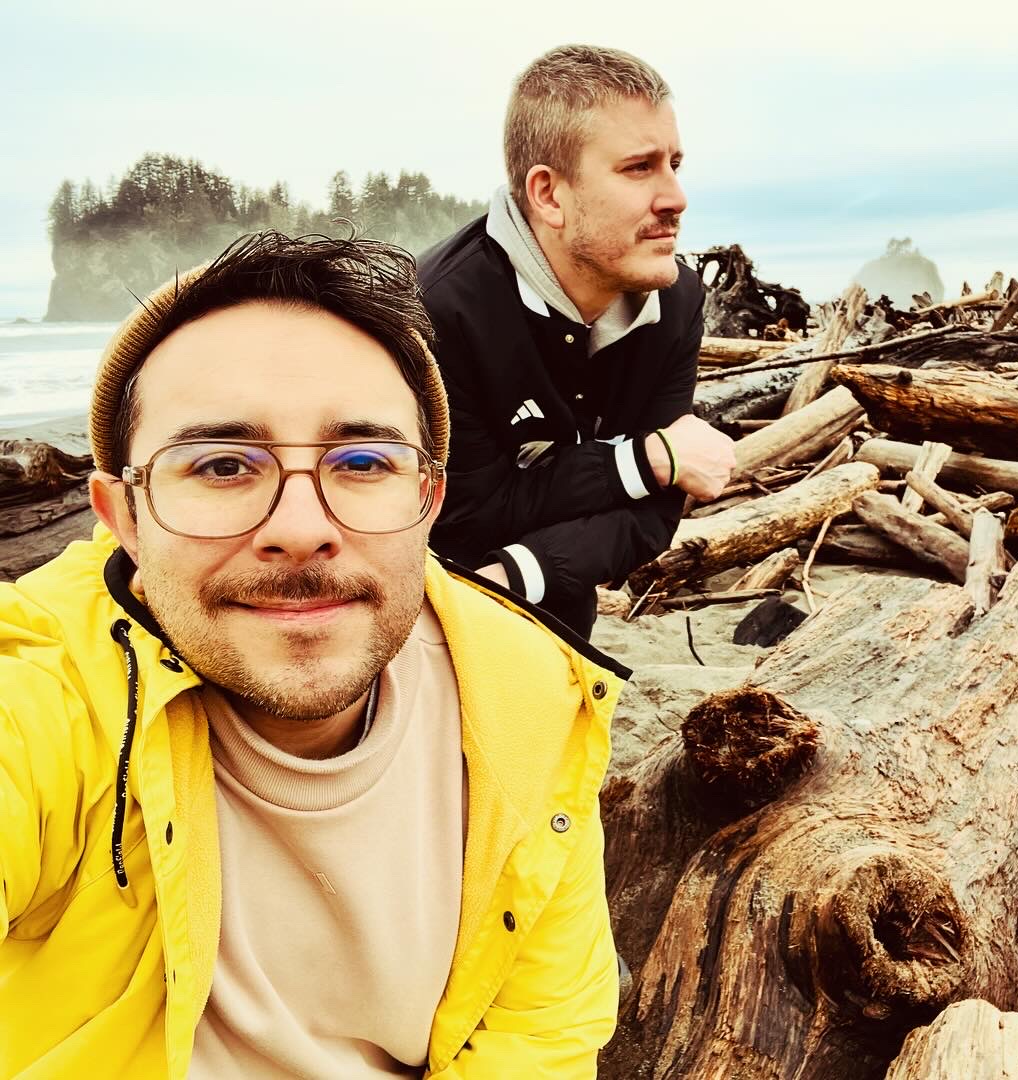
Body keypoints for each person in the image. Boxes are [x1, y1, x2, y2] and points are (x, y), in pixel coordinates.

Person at [0, 231, 624, 1078]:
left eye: (364, 461)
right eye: (223, 465)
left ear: (429, 497)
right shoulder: (42, 685)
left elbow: (541, 1039)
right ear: (124, 519)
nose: (301, 530)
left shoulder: (535, 699)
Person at [420, 44, 736, 637]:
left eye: (675, 163)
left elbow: (657, 510)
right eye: (639, 167)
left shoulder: (676, 301)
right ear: (548, 194)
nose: (675, 198)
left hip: (548, 604)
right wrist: (643, 460)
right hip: (433, 622)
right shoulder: (441, 310)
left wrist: (520, 574)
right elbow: (467, 516)